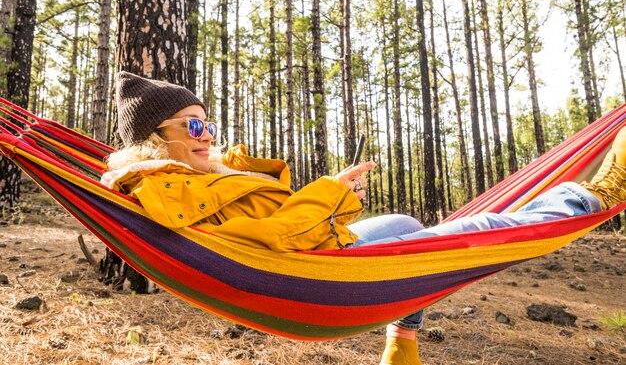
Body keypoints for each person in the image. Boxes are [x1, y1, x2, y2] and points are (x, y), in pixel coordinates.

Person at [101, 72, 626, 365]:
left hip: (316, 256)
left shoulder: (197, 171)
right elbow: (266, 240)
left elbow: (269, 216)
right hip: (307, 269)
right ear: (155, 137)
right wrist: (329, 189)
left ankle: (402, 337)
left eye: (208, 122)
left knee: (405, 226)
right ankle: (591, 199)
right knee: (469, 234)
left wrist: (321, 190)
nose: (209, 134)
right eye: (195, 126)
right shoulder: (167, 186)